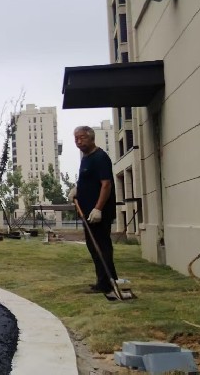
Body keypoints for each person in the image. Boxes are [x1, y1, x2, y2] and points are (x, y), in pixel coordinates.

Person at [69, 125, 119, 293]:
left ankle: (106, 284)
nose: (78, 141)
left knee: (101, 246)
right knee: (93, 246)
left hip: (98, 213)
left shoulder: (100, 157)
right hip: (86, 211)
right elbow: (87, 180)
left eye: (82, 137)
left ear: (91, 138)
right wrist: (77, 189)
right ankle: (106, 280)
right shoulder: (86, 158)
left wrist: (98, 209)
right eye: (76, 138)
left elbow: (106, 185)